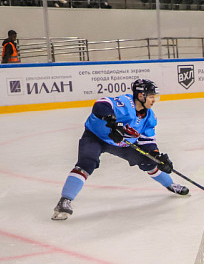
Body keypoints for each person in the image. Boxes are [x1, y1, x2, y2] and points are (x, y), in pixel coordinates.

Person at [51, 79, 187, 220]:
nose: (154, 100)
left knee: (149, 162)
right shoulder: (126, 103)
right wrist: (111, 120)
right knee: (86, 163)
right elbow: (101, 104)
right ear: (141, 96)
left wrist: (156, 155)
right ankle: (65, 200)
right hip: (96, 136)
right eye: (151, 96)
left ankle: (170, 184)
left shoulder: (150, 117)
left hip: (122, 143)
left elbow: (147, 142)